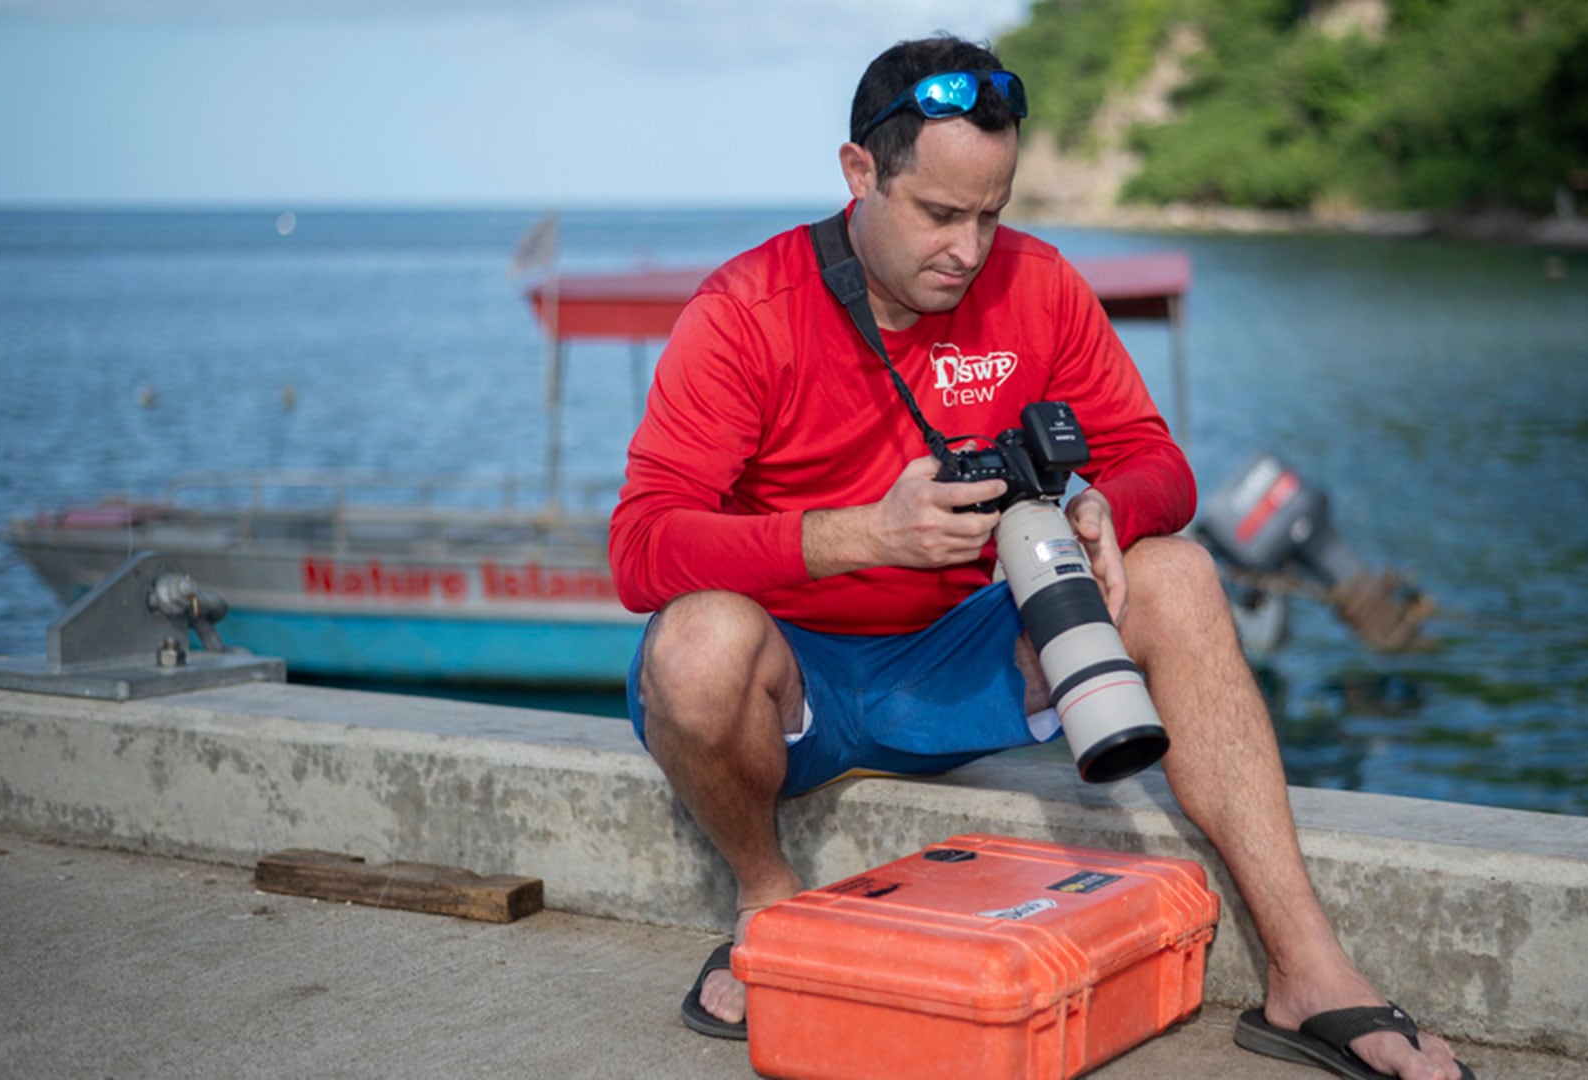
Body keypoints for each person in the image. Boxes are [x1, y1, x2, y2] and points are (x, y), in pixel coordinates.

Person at [608, 33, 1472, 1080]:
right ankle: (767, 904)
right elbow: (641, 549)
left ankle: (1309, 975)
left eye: (991, 213)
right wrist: (859, 535)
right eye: (937, 214)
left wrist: (1114, 504)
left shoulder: (1039, 285)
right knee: (694, 645)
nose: (968, 250)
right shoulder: (747, 313)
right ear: (857, 175)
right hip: (803, 681)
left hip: (976, 659)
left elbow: (1159, 461)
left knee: (1180, 571)